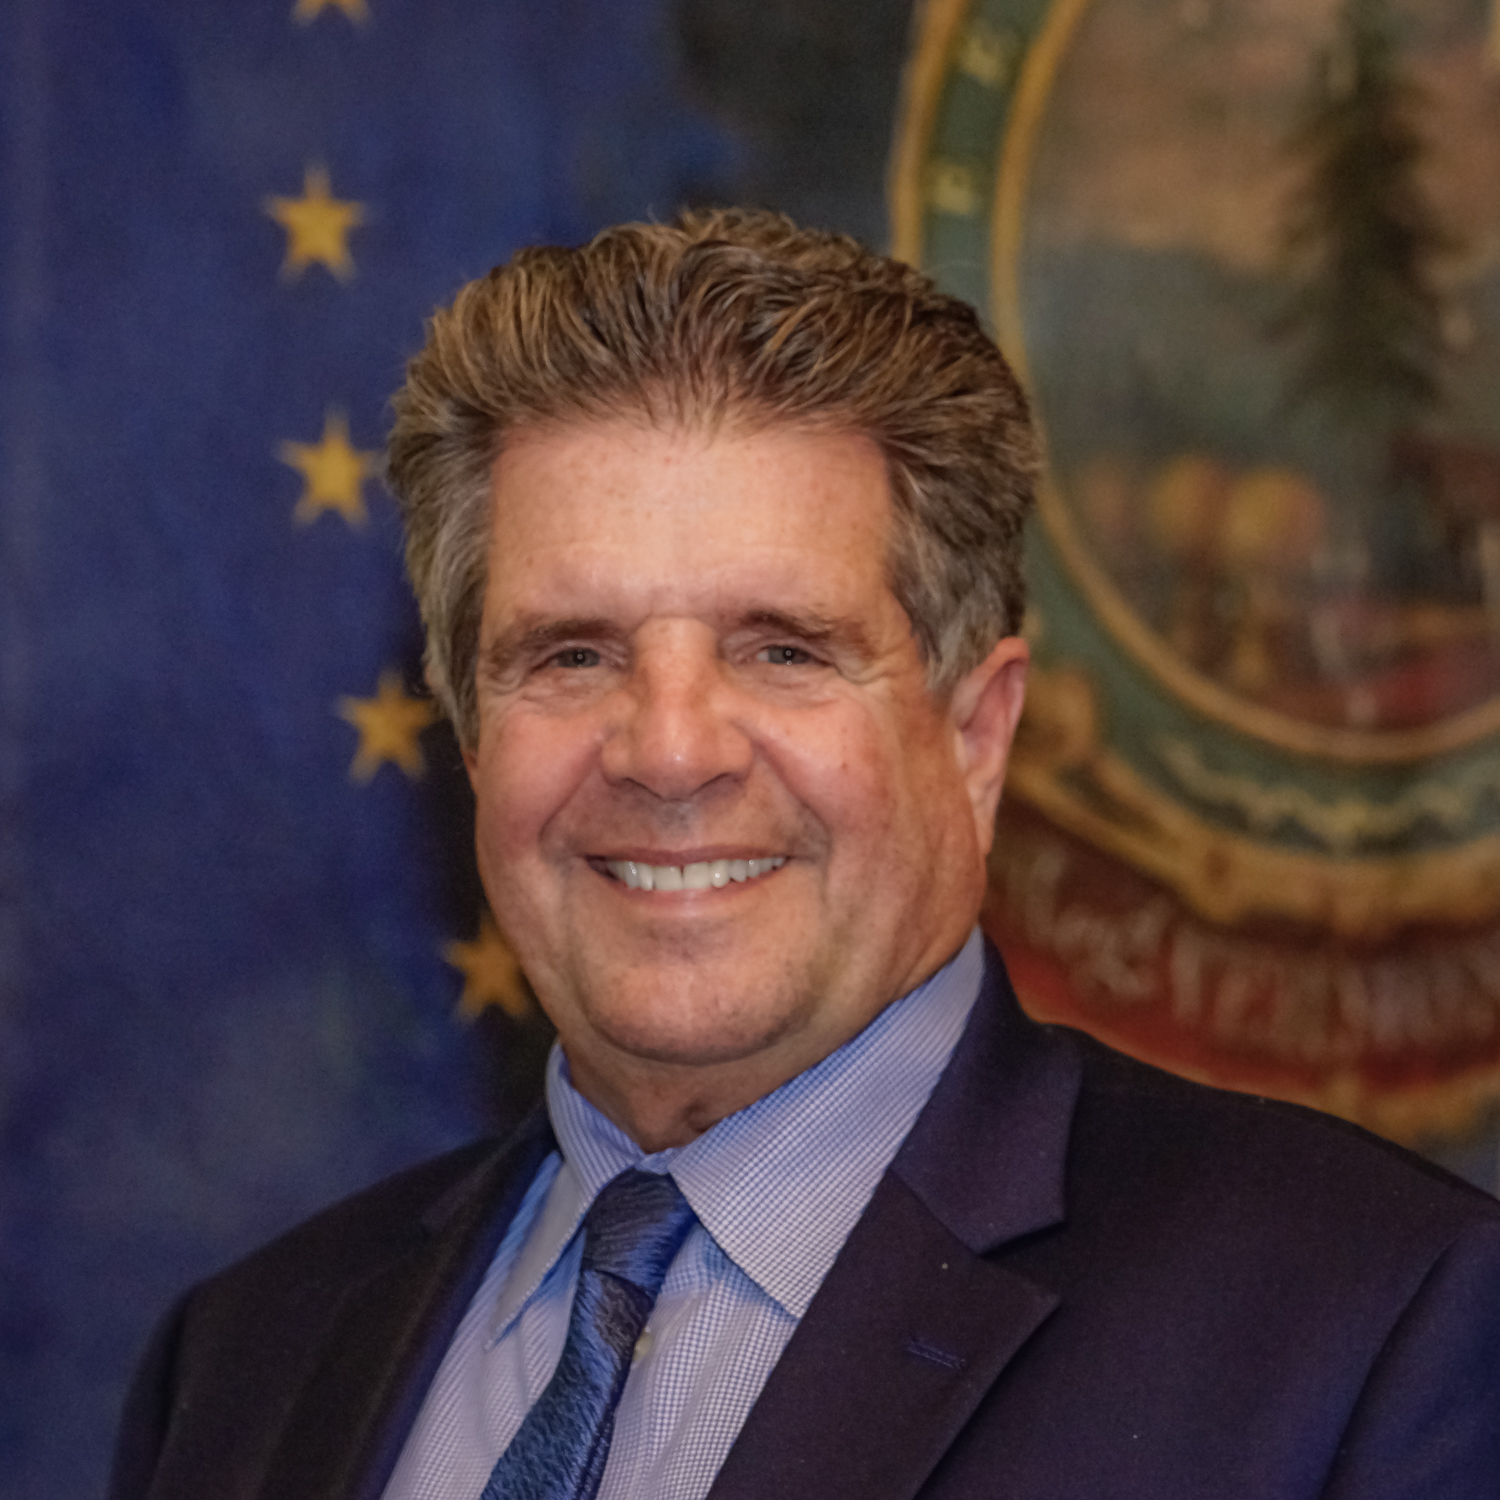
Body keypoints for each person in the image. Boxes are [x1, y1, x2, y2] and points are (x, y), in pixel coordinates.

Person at [110, 210, 1500, 1500]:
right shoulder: (240, 1367)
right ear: (474, 742)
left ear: (976, 735)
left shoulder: (1373, 1327)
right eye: (573, 655)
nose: (669, 752)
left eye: (783, 651)